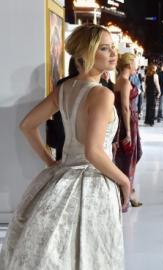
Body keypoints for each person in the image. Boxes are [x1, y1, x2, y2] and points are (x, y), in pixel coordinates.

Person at [0, 24, 127, 269]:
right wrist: (124, 180)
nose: (113, 54)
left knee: (57, 250)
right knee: (92, 252)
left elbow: (27, 125)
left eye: (113, 48)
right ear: (85, 55)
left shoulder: (65, 88)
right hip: (92, 183)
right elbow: (93, 151)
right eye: (104, 48)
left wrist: (51, 163)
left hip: (61, 176)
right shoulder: (102, 94)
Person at [114, 52, 143, 210]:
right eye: (135, 63)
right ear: (128, 65)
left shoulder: (119, 81)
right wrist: (128, 132)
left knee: (127, 158)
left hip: (126, 122)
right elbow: (125, 107)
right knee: (128, 159)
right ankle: (126, 196)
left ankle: (128, 192)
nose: (136, 66)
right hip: (128, 123)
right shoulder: (124, 82)